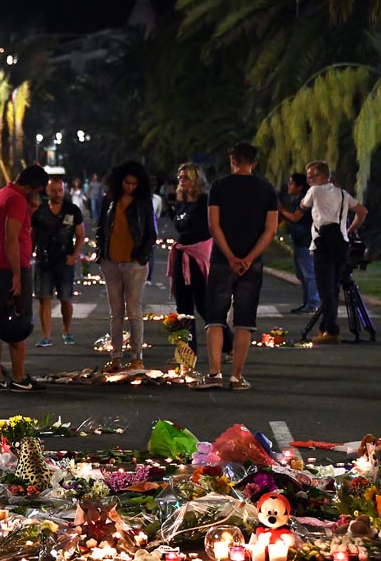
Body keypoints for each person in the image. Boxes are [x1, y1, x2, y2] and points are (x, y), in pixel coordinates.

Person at [193, 142, 278, 391]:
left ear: (233, 160)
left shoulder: (219, 186)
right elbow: (270, 229)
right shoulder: (266, 189)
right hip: (252, 264)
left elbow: (213, 225)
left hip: (222, 260)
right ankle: (237, 377)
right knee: (244, 321)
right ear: (254, 162)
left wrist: (230, 256)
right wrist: (249, 258)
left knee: (215, 319)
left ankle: (214, 374)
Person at [0, 164, 49, 392]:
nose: (39, 195)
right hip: (12, 267)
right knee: (18, 319)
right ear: (31, 187)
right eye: (39, 190)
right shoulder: (16, 200)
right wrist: (16, 275)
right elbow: (11, 238)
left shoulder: (0, 194)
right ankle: (19, 377)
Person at [167, 162, 233, 361]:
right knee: (183, 307)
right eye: (180, 178)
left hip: (198, 257)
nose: (181, 181)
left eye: (186, 177)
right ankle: (187, 352)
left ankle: (229, 344)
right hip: (182, 254)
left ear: (196, 179)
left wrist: (183, 226)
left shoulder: (204, 200)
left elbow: (197, 228)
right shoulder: (181, 201)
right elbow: (180, 226)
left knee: (205, 306)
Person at [96, 161, 157, 372]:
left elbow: (151, 232)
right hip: (111, 262)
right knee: (115, 312)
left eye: (134, 183)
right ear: (119, 181)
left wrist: (141, 257)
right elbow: (101, 227)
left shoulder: (143, 203)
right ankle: (115, 357)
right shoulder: (110, 200)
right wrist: (101, 254)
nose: (130, 187)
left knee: (133, 310)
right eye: (126, 182)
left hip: (134, 264)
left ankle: (137, 356)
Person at [300, 160, 368, 345]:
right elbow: (362, 212)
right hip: (341, 245)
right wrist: (351, 229)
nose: (308, 181)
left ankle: (331, 331)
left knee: (325, 291)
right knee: (333, 288)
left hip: (322, 246)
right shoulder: (343, 194)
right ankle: (326, 327)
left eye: (311, 177)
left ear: (322, 176)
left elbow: (303, 206)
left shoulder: (315, 191)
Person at [32, 175, 85, 347]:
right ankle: (46, 335)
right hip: (44, 260)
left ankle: (67, 331)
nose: (57, 193)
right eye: (53, 190)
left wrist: (74, 256)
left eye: (60, 190)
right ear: (47, 191)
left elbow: (80, 235)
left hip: (64, 260)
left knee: (65, 299)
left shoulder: (72, 210)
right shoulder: (39, 211)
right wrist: (30, 254)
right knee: (44, 299)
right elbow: (32, 235)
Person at [278, 172, 319, 314]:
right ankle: (307, 302)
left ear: (300, 186)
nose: (288, 186)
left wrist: (281, 209)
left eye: (291, 183)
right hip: (299, 239)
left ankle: (312, 303)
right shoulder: (298, 199)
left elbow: (296, 218)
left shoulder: (305, 200)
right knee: (302, 275)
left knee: (309, 273)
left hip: (305, 240)